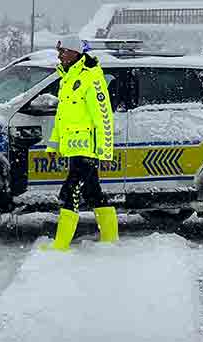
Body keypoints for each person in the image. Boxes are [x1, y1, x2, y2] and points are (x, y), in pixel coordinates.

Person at [43, 41, 118, 250]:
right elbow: (61, 117)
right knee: (92, 192)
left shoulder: (91, 76)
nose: (59, 56)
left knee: (70, 192)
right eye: (58, 51)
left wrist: (104, 152)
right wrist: (53, 145)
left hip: (88, 149)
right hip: (73, 149)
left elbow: (104, 117)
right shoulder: (66, 78)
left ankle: (60, 245)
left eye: (63, 51)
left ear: (75, 52)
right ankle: (110, 239)